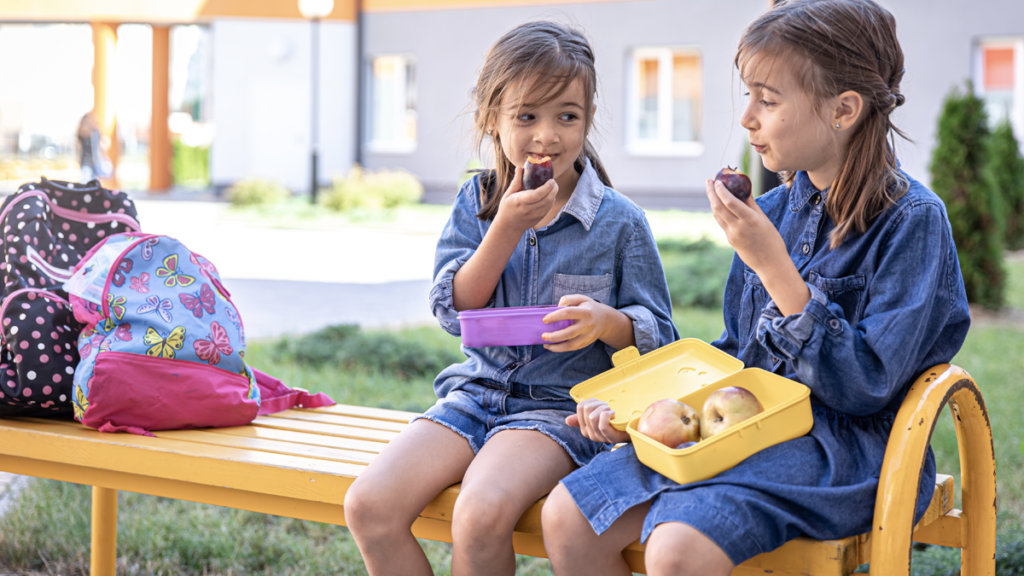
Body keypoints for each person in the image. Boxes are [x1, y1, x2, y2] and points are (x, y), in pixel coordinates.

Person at [541, 1, 971, 575]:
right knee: (569, 515)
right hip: (746, 423)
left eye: (767, 100)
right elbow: (737, 354)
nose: (746, 118)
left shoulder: (912, 220)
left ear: (844, 110)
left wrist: (776, 269)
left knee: (678, 549)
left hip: (846, 450)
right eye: (748, 96)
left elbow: (867, 385)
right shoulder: (768, 211)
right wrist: (643, 406)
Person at [343, 21, 677, 576]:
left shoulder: (619, 222)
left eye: (566, 116)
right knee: (369, 505)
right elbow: (454, 311)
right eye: (527, 116)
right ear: (491, 121)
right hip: (474, 395)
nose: (547, 135)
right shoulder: (477, 201)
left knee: (478, 513)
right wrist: (503, 227)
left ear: (588, 120)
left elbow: (659, 334)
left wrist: (606, 321)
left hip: (557, 410)